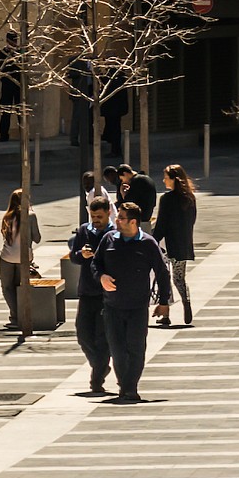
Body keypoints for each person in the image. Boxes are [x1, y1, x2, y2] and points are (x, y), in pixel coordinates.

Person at [96, 201, 174, 404]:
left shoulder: (147, 243)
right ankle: (125, 385)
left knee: (136, 348)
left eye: (120, 218)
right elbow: (96, 264)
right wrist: (102, 277)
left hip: (138, 307)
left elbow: (162, 272)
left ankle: (130, 388)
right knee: (117, 349)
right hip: (112, 306)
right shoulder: (109, 239)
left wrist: (164, 301)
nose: (116, 220)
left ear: (132, 222)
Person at [68, 195, 115, 396]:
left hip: (106, 293)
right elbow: (73, 257)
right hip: (87, 290)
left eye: (99, 216)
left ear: (108, 214)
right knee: (83, 334)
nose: (95, 220)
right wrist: (81, 254)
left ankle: (97, 379)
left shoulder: (114, 233)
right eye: (93, 216)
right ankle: (100, 365)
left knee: (102, 337)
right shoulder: (84, 231)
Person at [154, 163, 200, 328]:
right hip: (184, 243)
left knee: (164, 278)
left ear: (174, 179)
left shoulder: (166, 199)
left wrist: (153, 241)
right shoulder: (190, 198)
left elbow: (161, 224)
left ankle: (165, 312)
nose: (164, 181)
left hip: (169, 244)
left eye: (166, 178)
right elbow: (192, 220)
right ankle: (185, 301)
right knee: (179, 278)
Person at [0, 188, 42, 332]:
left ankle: (15, 316)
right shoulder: (31, 216)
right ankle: (21, 315)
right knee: (19, 286)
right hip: (24, 257)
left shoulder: (7, 217)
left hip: (7, 256)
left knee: (7, 287)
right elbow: (37, 238)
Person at [0, 35, 22, 142]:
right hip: (7, 83)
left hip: (19, 84)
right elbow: (1, 67)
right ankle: (3, 134)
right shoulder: (2, 53)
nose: (13, 43)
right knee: (5, 109)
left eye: (15, 41)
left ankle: (24, 134)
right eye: (12, 41)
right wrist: (9, 56)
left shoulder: (20, 52)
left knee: (21, 110)